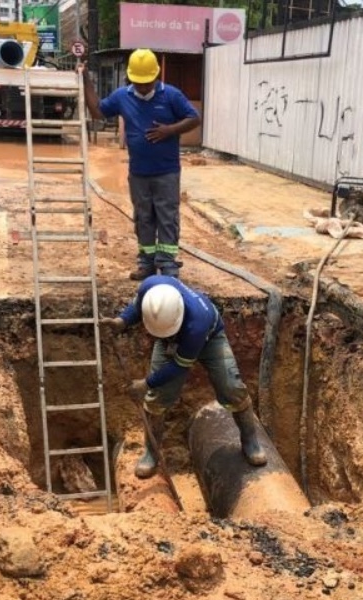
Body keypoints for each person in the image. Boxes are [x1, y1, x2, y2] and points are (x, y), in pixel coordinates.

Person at [100, 276, 267, 479]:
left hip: (209, 339)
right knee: (157, 398)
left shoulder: (197, 324)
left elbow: (179, 365)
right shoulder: (151, 287)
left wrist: (146, 383)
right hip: (169, 340)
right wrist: (122, 320)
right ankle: (151, 453)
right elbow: (138, 306)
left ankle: (250, 440)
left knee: (231, 388)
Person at [84, 49, 201, 281]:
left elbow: (194, 118)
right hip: (138, 173)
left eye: (147, 83)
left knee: (167, 217)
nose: (143, 87)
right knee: (143, 218)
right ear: (131, 78)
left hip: (166, 172)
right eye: (138, 83)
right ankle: (146, 263)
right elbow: (97, 111)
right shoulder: (122, 96)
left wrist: (170, 130)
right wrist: (84, 79)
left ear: (156, 77)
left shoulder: (171, 95)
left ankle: (167, 265)